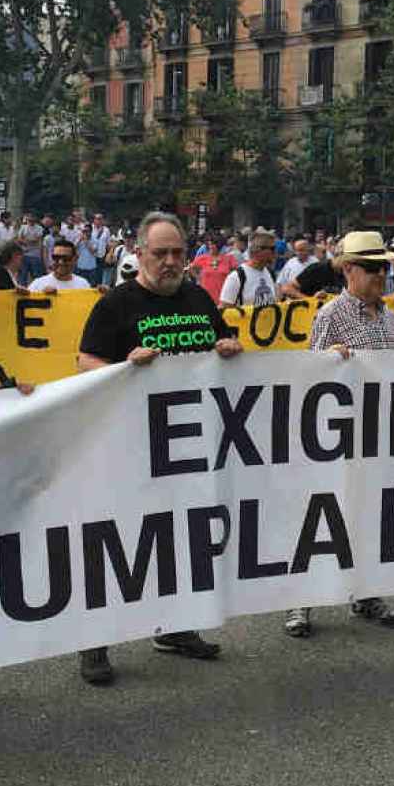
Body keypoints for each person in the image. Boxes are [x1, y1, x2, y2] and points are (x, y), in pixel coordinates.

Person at [75, 211, 239, 684]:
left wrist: (229, 345)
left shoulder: (198, 297)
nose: (171, 262)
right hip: (128, 444)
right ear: (140, 254)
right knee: (120, 543)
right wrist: (123, 365)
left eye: (178, 253)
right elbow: (85, 360)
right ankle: (94, 641)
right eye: (160, 253)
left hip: (188, 445)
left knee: (184, 538)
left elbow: (219, 344)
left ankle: (176, 628)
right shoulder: (117, 304)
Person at [282, 231, 394, 638]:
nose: (381, 275)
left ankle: (366, 593)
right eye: (373, 267)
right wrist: (328, 363)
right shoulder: (330, 316)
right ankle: (300, 601)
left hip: (379, 437)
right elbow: (310, 378)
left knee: (369, 516)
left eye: (385, 267)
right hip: (337, 438)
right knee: (321, 518)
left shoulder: (392, 320)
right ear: (349, 270)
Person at [219, 228, 278, 307]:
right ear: (257, 250)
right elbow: (224, 310)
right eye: (272, 249)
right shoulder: (237, 277)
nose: (275, 253)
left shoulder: (269, 273)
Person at [30, 239, 95, 293]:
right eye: (56, 257)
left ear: (75, 259)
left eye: (66, 258)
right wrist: (42, 297)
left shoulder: (83, 285)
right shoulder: (37, 285)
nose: (61, 262)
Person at [189, 235, 238, 300]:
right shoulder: (202, 258)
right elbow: (191, 268)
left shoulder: (229, 259)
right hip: (205, 296)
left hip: (223, 296)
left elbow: (236, 273)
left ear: (219, 246)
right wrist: (199, 278)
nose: (210, 246)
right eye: (209, 244)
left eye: (213, 244)